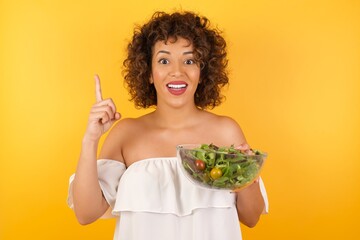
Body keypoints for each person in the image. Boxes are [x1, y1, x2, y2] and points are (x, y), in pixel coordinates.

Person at [67, 11, 268, 240]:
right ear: (149, 73)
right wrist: (90, 139)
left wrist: (247, 172)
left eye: (189, 60)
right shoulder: (126, 133)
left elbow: (251, 217)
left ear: (202, 72)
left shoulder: (226, 130)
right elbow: (86, 213)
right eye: (164, 60)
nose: (177, 71)